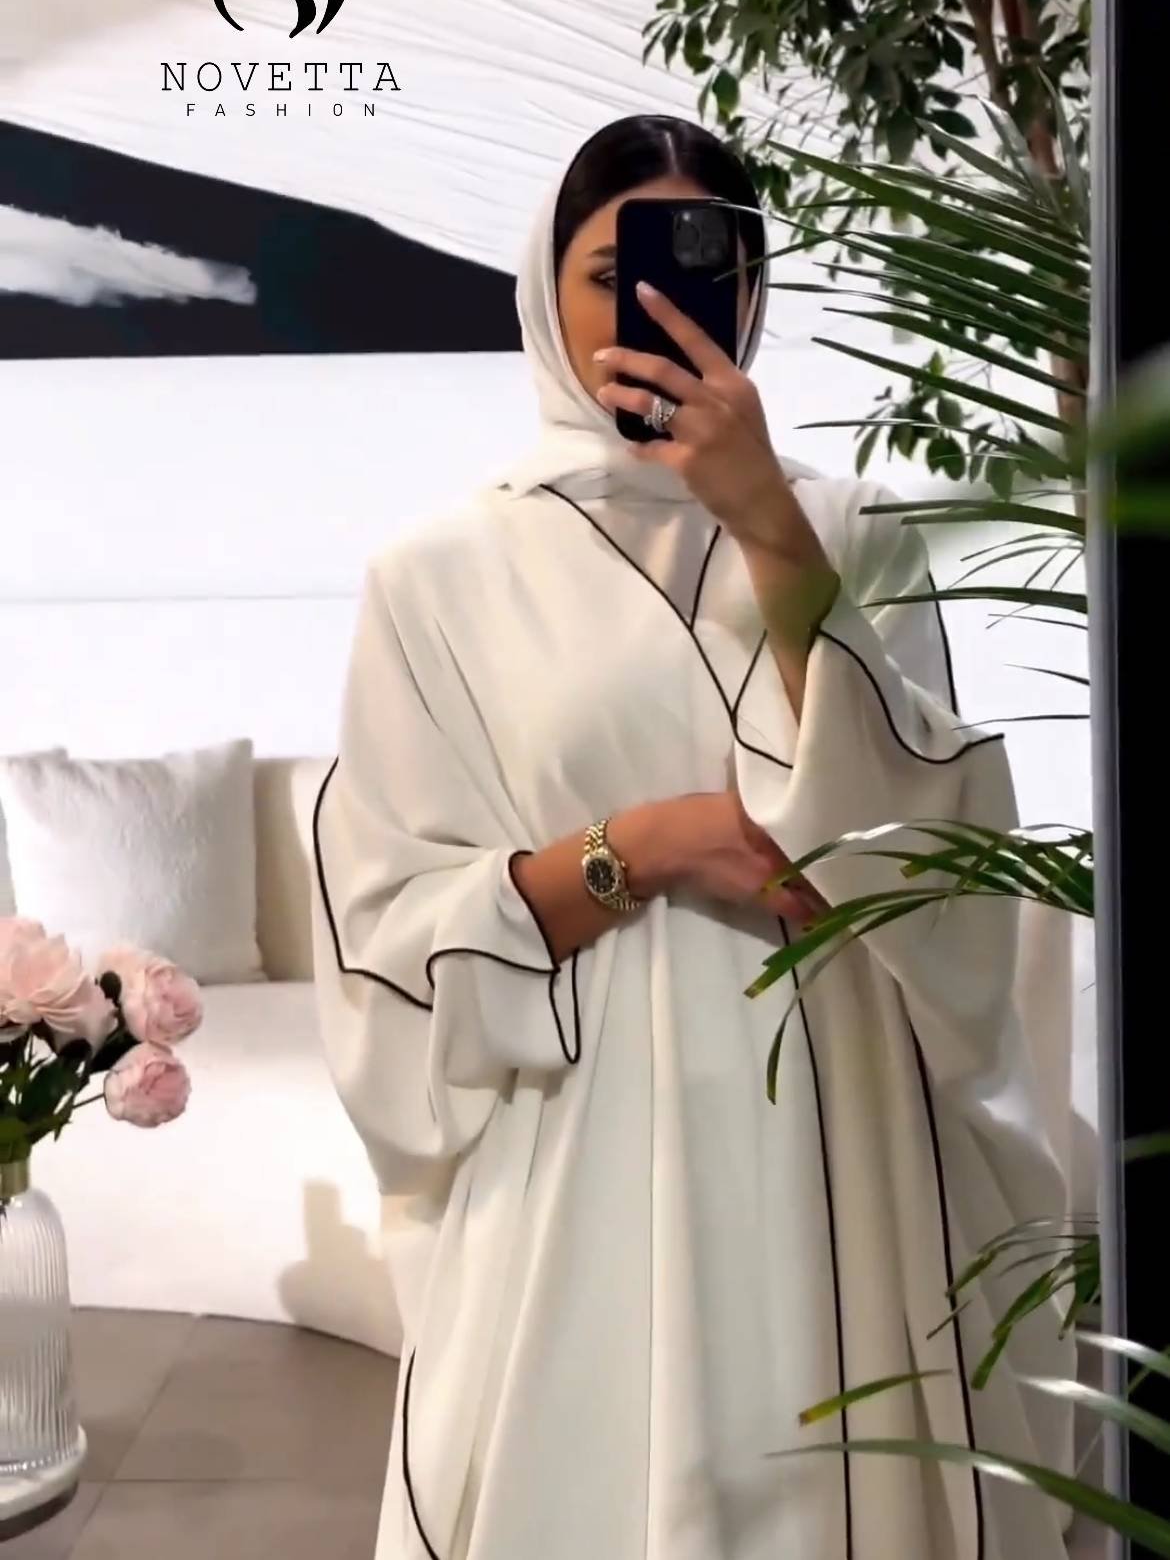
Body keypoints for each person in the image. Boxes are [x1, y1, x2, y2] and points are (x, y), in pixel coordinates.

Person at [312, 114, 1070, 1560]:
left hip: (840, 1133)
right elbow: (389, 929)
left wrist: (767, 522)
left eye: (697, 270)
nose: (652, 308)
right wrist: (642, 846)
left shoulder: (851, 529)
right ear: (545, 292)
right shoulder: (440, 575)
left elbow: (934, 853)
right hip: (580, 1146)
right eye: (611, 274)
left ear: (751, 291)